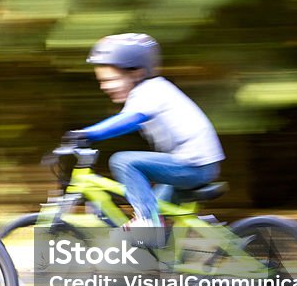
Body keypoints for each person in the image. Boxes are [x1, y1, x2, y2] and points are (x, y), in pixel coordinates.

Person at [66, 33, 224, 237]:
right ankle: (163, 259)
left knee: (123, 161)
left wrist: (88, 133)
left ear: (137, 72)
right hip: (193, 163)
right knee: (155, 208)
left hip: (194, 165)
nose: (104, 86)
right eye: (101, 81)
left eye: (111, 79)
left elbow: (129, 120)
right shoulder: (149, 92)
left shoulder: (151, 91)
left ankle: (148, 222)